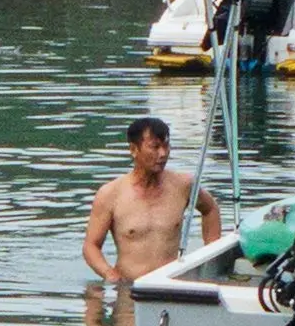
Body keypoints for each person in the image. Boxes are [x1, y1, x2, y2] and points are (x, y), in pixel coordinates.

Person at [83, 117, 222, 289]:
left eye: (166, 146)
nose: (163, 154)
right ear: (134, 150)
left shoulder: (183, 185)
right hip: (130, 288)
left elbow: (210, 209)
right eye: (155, 147)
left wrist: (210, 257)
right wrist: (110, 274)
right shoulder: (111, 194)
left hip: (171, 285)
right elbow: (91, 246)